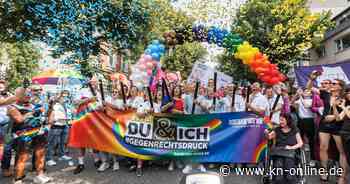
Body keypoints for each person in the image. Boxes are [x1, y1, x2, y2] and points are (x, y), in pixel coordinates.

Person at [308, 75, 348, 183]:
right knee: (322, 148)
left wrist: (334, 117)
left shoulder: (344, 98)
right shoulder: (326, 94)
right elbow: (309, 88)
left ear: (340, 87)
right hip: (324, 125)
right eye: (331, 83)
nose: (331, 85)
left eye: (334, 84)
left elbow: (346, 113)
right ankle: (324, 172)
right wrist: (312, 79)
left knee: (342, 151)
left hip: (338, 126)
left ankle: (342, 177)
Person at [8, 88, 51, 184]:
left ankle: (39, 176)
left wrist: (48, 108)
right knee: (23, 157)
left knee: (40, 155)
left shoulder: (34, 105)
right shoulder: (12, 107)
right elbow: (19, 119)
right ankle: (18, 179)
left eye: (28, 94)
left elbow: (44, 117)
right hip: (24, 135)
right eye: (24, 94)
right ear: (17, 95)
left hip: (39, 132)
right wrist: (33, 112)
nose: (28, 95)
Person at [73, 77, 104, 174]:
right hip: (82, 118)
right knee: (81, 141)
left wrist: (101, 106)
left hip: (95, 119)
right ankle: (80, 163)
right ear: (90, 83)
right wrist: (89, 99)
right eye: (94, 82)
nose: (95, 84)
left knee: (94, 140)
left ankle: (96, 160)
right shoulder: (83, 91)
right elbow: (75, 102)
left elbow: (102, 107)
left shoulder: (99, 93)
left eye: (97, 83)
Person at [266, 114, 303, 184]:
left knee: (289, 167)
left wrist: (291, 147)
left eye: (282, 120)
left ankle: (291, 180)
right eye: (279, 120)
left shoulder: (295, 129)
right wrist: (266, 134)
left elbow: (300, 143)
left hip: (290, 152)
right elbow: (269, 137)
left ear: (288, 120)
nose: (280, 122)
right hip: (279, 152)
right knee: (278, 168)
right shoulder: (277, 129)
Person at [291, 88, 316, 167]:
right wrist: (296, 94)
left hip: (309, 121)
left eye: (307, 91)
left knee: (311, 141)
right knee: (298, 139)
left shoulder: (312, 100)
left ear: (311, 94)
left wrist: (300, 96)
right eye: (304, 91)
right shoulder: (299, 100)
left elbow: (306, 105)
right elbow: (291, 103)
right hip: (300, 121)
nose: (305, 92)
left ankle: (312, 159)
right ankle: (298, 158)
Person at [46, 93, 72, 167]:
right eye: (62, 97)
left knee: (63, 142)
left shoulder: (64, 105)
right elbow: (49, 115)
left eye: (65, 96)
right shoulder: (53, 105)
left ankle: (62, 155)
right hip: (56, 125)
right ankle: (49, 159)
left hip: (64, 124)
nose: (64, 98)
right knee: (52, 143)